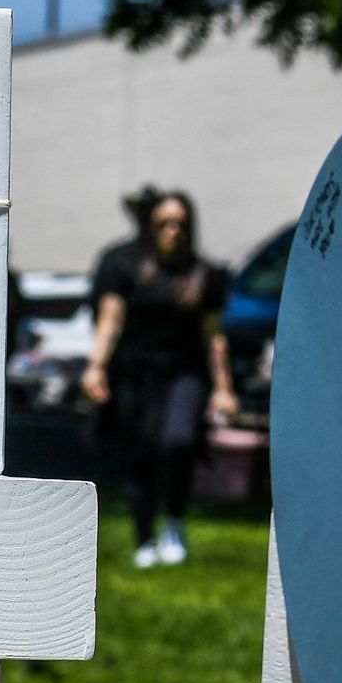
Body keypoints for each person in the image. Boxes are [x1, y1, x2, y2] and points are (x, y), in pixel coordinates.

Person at [84, 187, 235, 568]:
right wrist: (97, 365)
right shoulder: (127, 268)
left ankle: (174, 524)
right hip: (135, 374)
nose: (173, 231)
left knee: (178, 441)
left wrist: (223, 387)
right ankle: (145, 539)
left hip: (185, 374)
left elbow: (214, 335)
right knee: (141, 452)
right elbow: (110, 320)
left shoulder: (204, 276)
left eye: (180, 224)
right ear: (152, 228)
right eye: (164, 224)